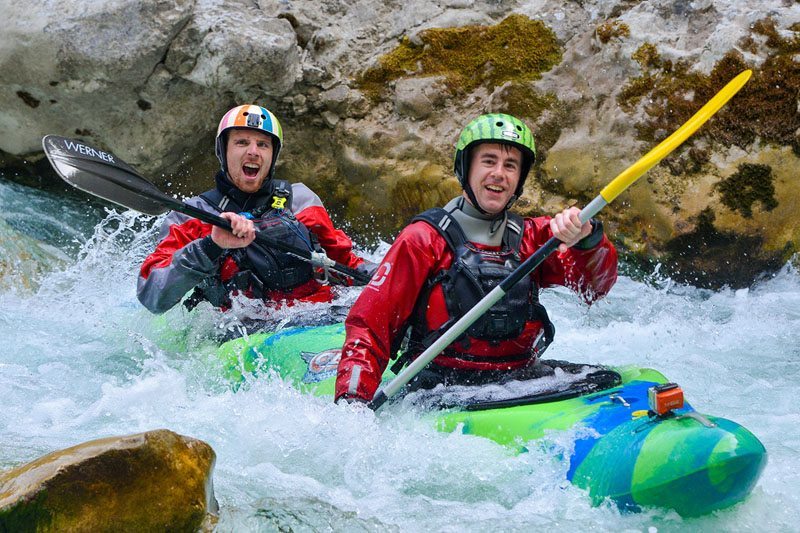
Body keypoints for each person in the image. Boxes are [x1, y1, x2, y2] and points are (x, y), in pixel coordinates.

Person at [335, 113, 618, 403]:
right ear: (466, 168)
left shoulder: (535, 237)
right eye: (488, 161)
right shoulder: (423, 240)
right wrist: (353, 401)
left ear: (519, 179)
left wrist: (589, 239)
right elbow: (370, 327)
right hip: (442, 388)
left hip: (520, 381)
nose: (499, 173)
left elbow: (595, 288)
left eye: (510, 165)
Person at [138, 104, 374, 315]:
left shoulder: (301, 200)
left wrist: (389, 275)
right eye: (241, 142)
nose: (253, 151)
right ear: (223, 151)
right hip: (240, 337)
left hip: (322, 316)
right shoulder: (191, 215)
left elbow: (346, 263)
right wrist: (212, 246)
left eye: (263, 144)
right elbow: (153, 296)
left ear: (272, 156)